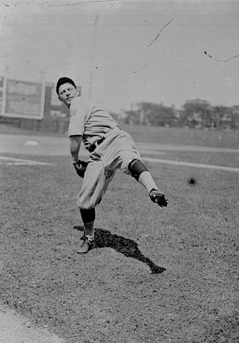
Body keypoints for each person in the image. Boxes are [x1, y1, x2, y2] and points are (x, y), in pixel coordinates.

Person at [56, 77, 168, 254]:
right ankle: (89, 237)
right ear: (60, 99)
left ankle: (153, 190)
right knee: (85, 201)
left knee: (129, 161)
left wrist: (75, 162)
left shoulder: (78, 103)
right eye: (62, 92)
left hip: (114, 140)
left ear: (77, 91)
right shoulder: (80, 106)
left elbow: (75, 138)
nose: (67, 93)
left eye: (69, 89)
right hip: (97, 154)